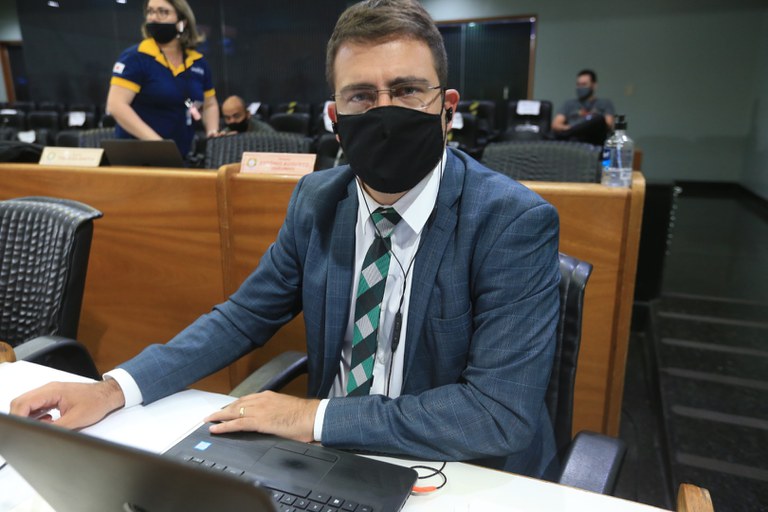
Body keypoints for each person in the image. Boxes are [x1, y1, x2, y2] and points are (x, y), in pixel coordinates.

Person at [12, 0, 561, 479]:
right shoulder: (317, 200)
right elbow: (240, 318)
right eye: (361, 96)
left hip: (455, 469)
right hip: (330, 462)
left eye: (408, 90)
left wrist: (309, 415)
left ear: (448, 109)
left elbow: (497, 414)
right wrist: (111, 389)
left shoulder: (511, 222)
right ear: (335, 118)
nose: (385, 111)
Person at [107, 0, 220, 160]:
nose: (154, 17)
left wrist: (212, 132)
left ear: (182, 22)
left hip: (180, 157)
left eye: (163, 12)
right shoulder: (135, 58)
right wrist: (160, 145)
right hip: (137, 159)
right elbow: (116, 106)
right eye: (150, 11)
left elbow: (210, 104)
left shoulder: (198, 62)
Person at [551, 69, 615, 143]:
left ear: (594, 86)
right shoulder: (569, 104)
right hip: (572, 138)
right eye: (578, 84)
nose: (580, 87)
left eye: (584, 84)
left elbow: (608, 124)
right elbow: (556, 124)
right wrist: (572, 129)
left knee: (599, 119)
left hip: (593, 139)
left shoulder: (605, 103)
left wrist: (583, 128)